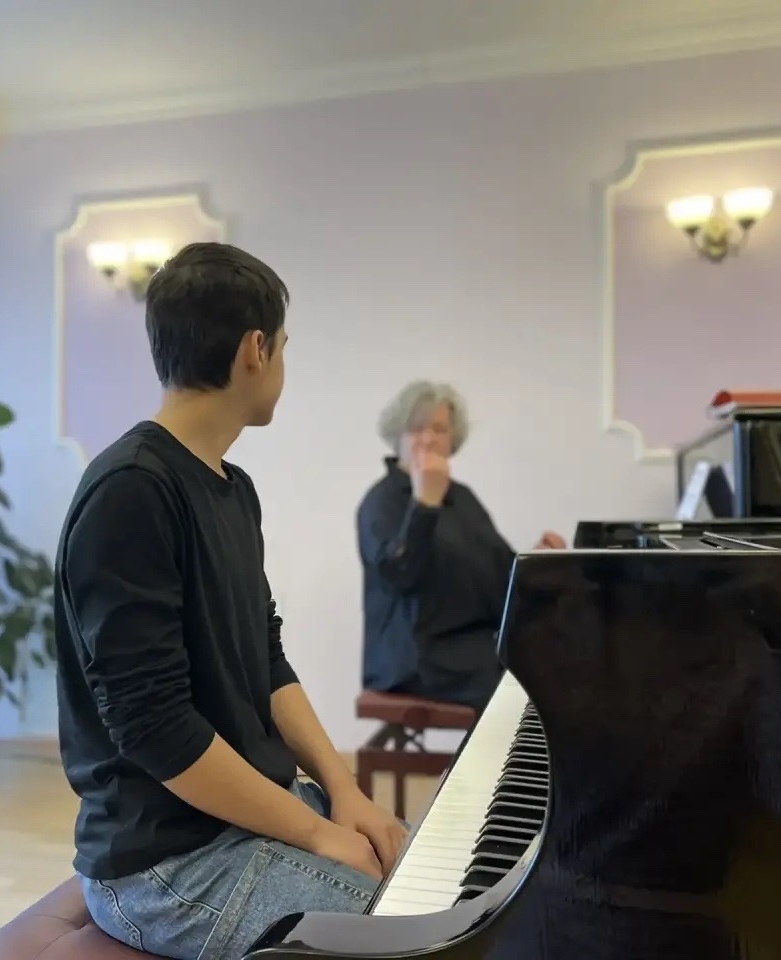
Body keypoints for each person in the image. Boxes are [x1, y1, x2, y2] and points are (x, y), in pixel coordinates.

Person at [54, 242, 407, 960]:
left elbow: (266, 657)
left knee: (422, 871)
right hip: (161, 864)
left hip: (240, 820)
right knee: (405, 932)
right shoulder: (131, 492)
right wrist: (317, 833)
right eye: (283, 346)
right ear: (256, 349)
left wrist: (343, 790)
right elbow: (154, 727)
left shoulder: (233, 490)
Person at [357, 381, 566, 714]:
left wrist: (537, 562)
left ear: (452, 439)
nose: (429, 438)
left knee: (562, 654)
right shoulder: (381, 502)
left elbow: (499, 577)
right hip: (416, 658)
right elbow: (399, 575)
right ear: (398, 436)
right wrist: (425, 504)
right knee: (528, 682)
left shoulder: (462, 498)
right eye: (417, 428)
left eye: (439, 429)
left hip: (473, 645)